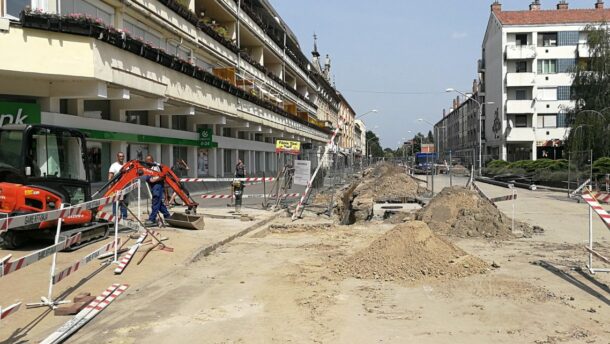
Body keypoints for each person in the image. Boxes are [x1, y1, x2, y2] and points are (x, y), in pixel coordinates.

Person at [144, 155, 171, 227]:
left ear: (151, 160)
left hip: (157, 186)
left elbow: (163, 176)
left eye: (147, 161)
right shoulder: (149, 167)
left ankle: (152, 219)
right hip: (153, 186)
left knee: (155, 202)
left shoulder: (157, 166)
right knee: (159, 203)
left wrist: (153, 180)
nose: (146, 163)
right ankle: (167, 216)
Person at [108, 152, 128, 219]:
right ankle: (115, 217)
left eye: (122, 156)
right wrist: (110, 185)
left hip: (125, 187)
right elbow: (110, 176)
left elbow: (129, 175)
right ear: (117, 157)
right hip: (116, 186)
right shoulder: (114, 165)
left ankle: (124, 217)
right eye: (120, 156)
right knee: (116, 202)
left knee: (124, 202)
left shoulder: (126, 165)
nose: (121, 158)